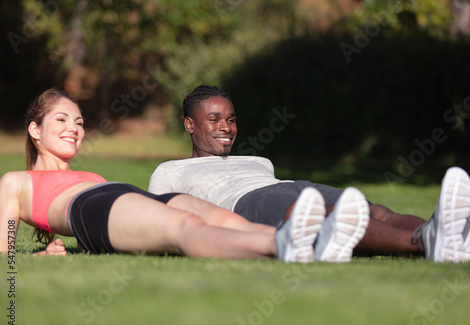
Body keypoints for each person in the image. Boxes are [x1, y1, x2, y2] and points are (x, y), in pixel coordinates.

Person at [0, 88, 374, 263]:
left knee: (223, 218)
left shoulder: (90, 172)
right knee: (183, 227)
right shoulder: (16, 181)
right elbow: (5, 251)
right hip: (91, 208)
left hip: (124, 199)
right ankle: (282, 247)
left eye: (79, 122)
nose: (74, 128)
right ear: (35, 130)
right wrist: (37, 258)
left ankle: (313, 242)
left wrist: (52, 247)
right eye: (61, 120)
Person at [149, 85, 470, 262]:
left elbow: (280, 185)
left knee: (372, 208)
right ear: (189, 124)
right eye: (214, 120)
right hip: (244, 203)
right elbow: (161, 221)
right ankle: (424, 242)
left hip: (285, 185)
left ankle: (456, 235)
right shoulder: (171, 171)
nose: (226, 127)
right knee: (332, 217)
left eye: (231, 119)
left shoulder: (260, 161)